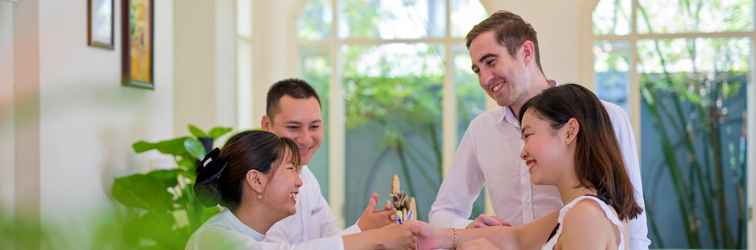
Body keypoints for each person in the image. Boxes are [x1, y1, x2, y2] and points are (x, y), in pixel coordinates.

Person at [428, 10, 651, 249]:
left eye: (491, 62)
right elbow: (446, 212)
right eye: (476, 70)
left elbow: (633, 227)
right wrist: (471, 231)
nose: (484, 79)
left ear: (526, 52)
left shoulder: (603, 116)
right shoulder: (480, 130)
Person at [417, 84, 642, 250]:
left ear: (570, 132)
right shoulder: (574, 211)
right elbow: (516, 238)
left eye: (528, 135)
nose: (523, 151)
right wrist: (441, 237)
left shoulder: (586, 216)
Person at [186, 130, 417, 250]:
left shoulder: (244, 233)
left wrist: (362, 229)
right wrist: (376, 239)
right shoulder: (215, 239)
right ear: (256, 180)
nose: (300, 183)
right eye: (290, 169)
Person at [260, 78, 414, 247]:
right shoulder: (257, 183)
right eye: (293, 127)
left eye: (314, 126)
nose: (305, 139)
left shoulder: (308, 177)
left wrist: (363, 228)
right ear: (267, 125)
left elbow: (332, 239)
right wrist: (373, 237)